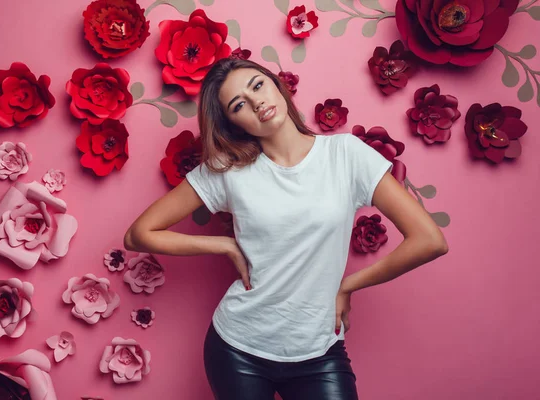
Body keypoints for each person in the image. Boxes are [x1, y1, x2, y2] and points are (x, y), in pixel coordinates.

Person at [123, 58, 448, 400]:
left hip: (320, 350)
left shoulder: (347, 155)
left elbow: (429, 240)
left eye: (258, 85)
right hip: (238, 348)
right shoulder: (227, 170)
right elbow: (138, 234)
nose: (256, 102)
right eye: (238, 105)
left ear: (276, 85)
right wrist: (224, 245)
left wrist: (350, 284)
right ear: (233, 123)